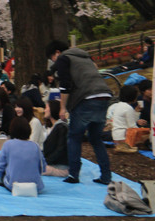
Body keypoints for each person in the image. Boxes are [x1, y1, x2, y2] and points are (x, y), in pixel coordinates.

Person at [47, 39, 112, 185]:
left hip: (86, 98)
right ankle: (106, 176)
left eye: (52, 58)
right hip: (104, 95)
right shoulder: (85, 56)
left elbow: (65, 86)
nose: (53, 62)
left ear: (57, 52)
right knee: (96, 139)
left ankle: (73, 175)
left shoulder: (64, 58)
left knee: (74, 137)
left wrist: (63, 108)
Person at [0, 117, 46, 193]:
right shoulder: (36, 146)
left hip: (13, 185)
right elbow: (43, 167)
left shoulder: (8, 144)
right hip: (35, 186)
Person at [106, 85, 140, 153]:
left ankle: (122, 146)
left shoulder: (119, 105)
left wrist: (136, 112)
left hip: (115, 135)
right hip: (123, 136)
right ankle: (124, 146)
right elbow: (132, 126)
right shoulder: (128, 108)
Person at [42, 99, 69, 177]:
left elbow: (60, 149)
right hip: (53, 163)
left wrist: (46, 161)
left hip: (60, 167)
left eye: (46, 108)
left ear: (52, 109)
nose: (44, 110)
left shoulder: (62, 127)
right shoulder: (53, 127)